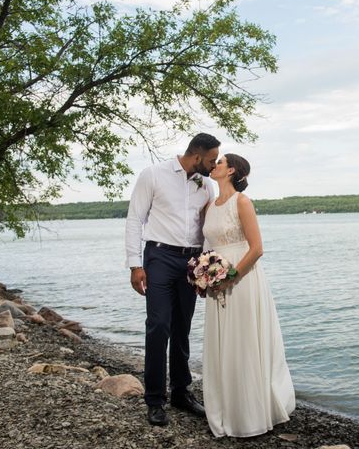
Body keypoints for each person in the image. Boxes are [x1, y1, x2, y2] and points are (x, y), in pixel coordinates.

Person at [125, 133, 220, 426]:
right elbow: (134, 219)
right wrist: (134, 265)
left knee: (182, 328)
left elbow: (208, 226)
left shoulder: (208, 185)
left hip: (191, 262)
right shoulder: (153, 174)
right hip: (159, 258)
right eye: (212, 160)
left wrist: (207, 265)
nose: (214, 165)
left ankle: (181, 392)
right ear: (197, 156)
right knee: (158, 327)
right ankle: (154, 399)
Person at [202, 154, 296, 437]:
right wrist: (204, 275)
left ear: (231, 170)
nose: (214, 164)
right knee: (223, 344)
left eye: (219, 162)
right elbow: (207, 246)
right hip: (216, 280)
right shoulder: (210, 205)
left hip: (242, 279)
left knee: (242, 341)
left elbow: (256, 249)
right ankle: (227, 409)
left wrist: (231, 277)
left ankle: (251, 412)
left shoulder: (242, 202)